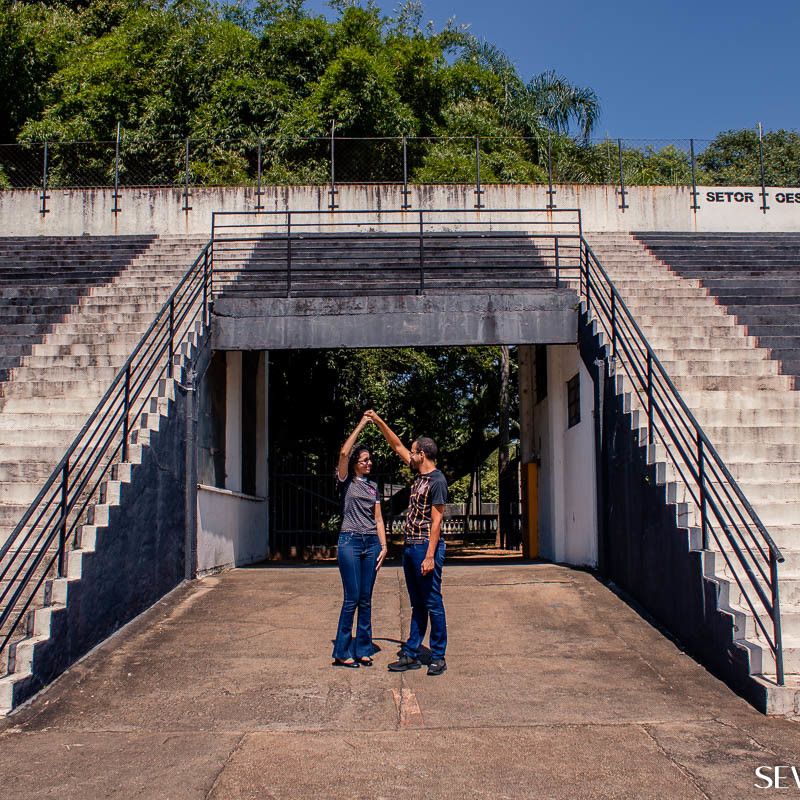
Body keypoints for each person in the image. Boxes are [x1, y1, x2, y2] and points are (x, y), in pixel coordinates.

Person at [365, 410, 448, 676]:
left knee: (432, 601)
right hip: (411, 546)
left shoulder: (438, 481)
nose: (409, 456)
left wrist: (430, 555)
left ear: (422, 453)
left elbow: (437, 521)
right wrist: (378, 421)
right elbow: (396, 444)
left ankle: (438, 656)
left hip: (425, 546)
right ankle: (411, 653)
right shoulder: (419, 476)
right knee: (418, 603)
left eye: (413, 452)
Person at [331, 414, 388, 668]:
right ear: (355, 463)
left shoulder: (373, 487)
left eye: (370, 460)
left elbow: (378, 519)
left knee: (366, 598)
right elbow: (344, 453)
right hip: (350, 543)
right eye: (364, 460)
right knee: (351, 597)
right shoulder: (346, 481)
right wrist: (363, 424)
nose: (369, 463)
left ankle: (363, 648)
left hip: (371, 544)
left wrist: (384, 545)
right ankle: (342, 651)